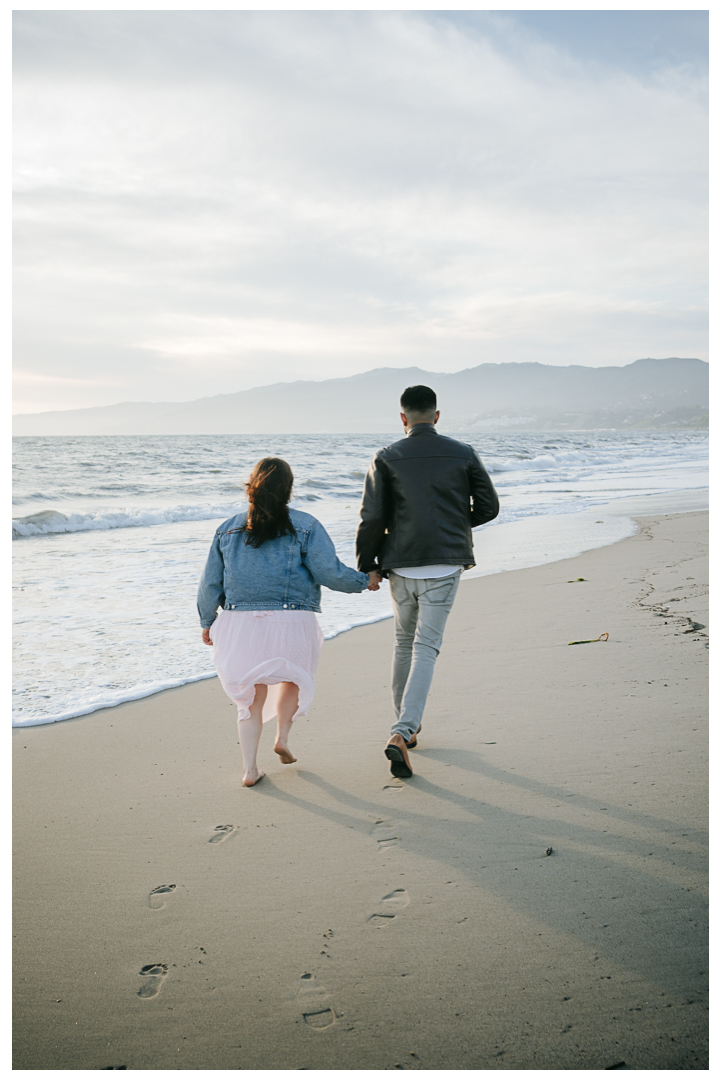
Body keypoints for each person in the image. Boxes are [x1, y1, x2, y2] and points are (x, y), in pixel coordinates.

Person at [198, 457, 381, 787]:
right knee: (293, 677)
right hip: (294, 618)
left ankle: (250, 770)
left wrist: (206, 619)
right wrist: (363, 580)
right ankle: (282, 736)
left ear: (252, 486)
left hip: (240, 621)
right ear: (288, 489)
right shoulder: (307, 524)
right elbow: (328, 572)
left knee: (250, 697)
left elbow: (211, 582)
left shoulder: (227, 528)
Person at [356, 385, 499, 778]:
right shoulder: (463, 452)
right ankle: (403, 730)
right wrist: (452, 526)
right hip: (444, 565)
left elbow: (371, 518)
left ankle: (407, 728)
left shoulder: (386, 457)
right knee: (426, 646)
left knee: (404, 642)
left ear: (402, 418)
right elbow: (489, 507)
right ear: (437, 416)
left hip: (401, 565)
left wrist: (367, 564)